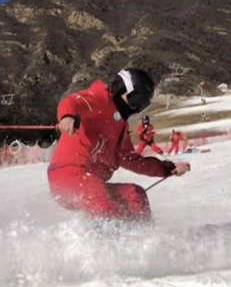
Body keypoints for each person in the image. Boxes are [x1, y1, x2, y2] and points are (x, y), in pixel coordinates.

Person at [48, 68, 190, 220]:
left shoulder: (120, 126)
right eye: (136, 100)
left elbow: (131, 159)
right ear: (121, 90)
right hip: (67, 176)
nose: (137, 107)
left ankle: (143, 237)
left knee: (135, 194)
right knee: (102, 200)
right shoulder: (99, 99)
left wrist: (167, 169)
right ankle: (108, 240)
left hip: (93, 182)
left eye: (142, 103)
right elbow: (73, 101)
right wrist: (68, 116)